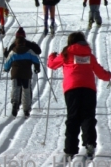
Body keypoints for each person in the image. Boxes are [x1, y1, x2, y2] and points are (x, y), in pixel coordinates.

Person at [47, 31, 111, 159]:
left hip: (72, 89)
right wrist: (109, 75)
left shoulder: (66, 54)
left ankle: (70, 149)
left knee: (73, 117)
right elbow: (100, 73)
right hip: (89, 89)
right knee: (88, 116)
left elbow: (52, 65)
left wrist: (51, 56)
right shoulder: (89, 55)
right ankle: (90, 143)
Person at [4, 37, 40, 118]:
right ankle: (26, 110)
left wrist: (6, 69)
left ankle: (15, 104)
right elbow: (36, 60)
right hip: (26, 74)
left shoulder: (12, 52)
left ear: (16, 44)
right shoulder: (29, 51)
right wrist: (37, 68)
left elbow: (7, 62)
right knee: (26, 90)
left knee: (15, 88)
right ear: (24, 43)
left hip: (15, 74)